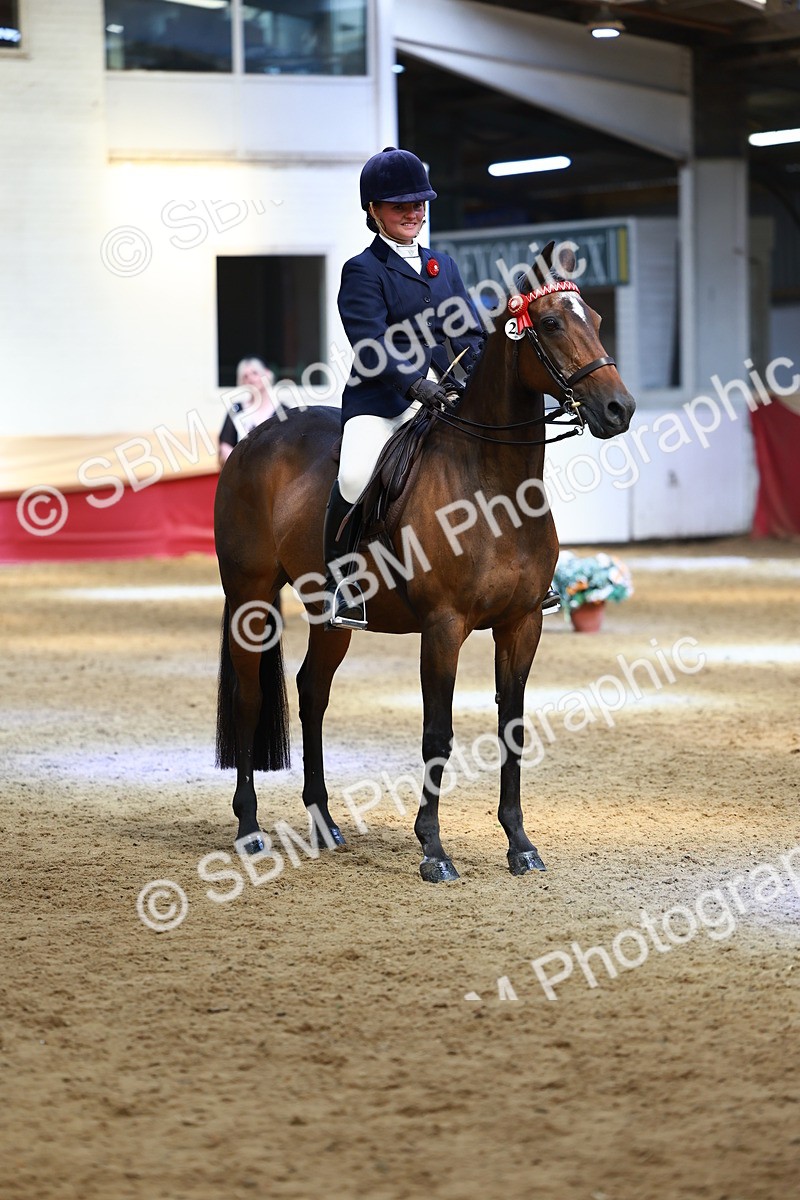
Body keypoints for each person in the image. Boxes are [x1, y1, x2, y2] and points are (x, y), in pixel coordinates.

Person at [322, 146, 561, 630]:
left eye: (419, 204)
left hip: (449, 399)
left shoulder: (443, 266)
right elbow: (368, 344)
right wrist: (414, 386)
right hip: (384, 401)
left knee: (504, 462)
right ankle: (343, 584)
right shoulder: (362, 270)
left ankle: (534, 574)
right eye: (399, 206)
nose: (413, 213)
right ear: (374, 211)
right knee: (352, 475)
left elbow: (470, 333)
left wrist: (475, 379)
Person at [218, 357, 277, 467]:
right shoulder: (236, 411)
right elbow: (225, 445)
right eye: (245, 376)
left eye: (255, 373)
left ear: (267, 374)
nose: (250, 379)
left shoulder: (283, 411)